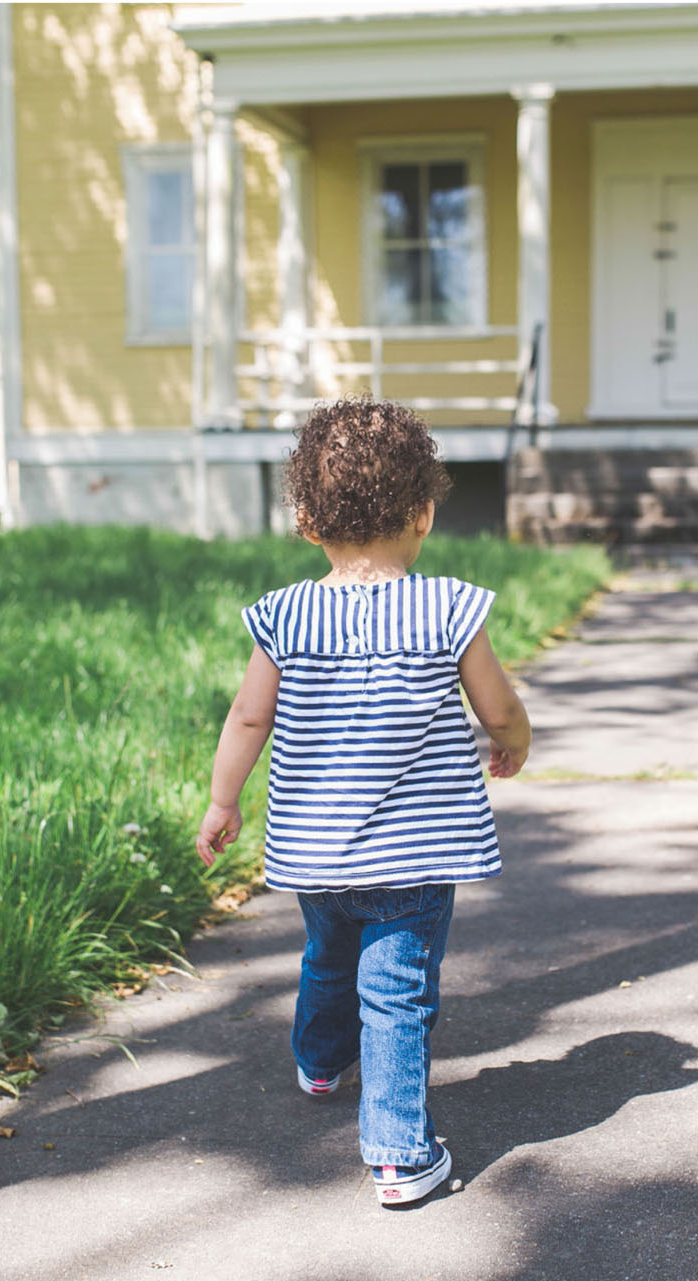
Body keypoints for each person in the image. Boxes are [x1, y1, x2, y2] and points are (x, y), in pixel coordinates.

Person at [196, 399, 532, 1207]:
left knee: (328, 956)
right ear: (422, 514)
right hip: (413, 856)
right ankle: (397, 1153)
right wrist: (512, 737)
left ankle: (317, 1064)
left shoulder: (285, 615)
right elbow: (496, 705)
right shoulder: (449, 606)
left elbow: (249, 716)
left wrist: (222, 800)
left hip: (318, 852)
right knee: (398, 992)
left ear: (307, 520)